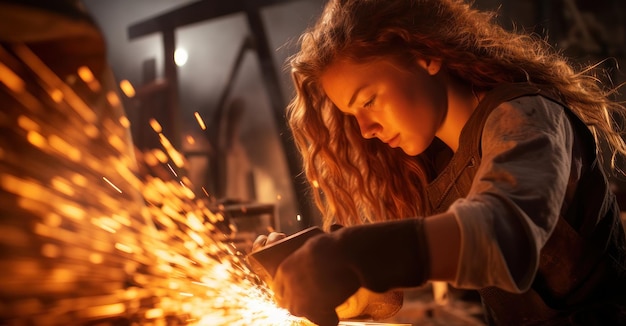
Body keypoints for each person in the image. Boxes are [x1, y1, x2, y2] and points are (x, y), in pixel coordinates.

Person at [252, 0, 626, 325]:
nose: (365, 129)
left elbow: (502, 237)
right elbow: (388, 295)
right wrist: (321, 282)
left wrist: (351, 253)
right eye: (353, 115)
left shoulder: (527, 117)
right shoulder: (435, 160)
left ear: (425, 55)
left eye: (367, 101)